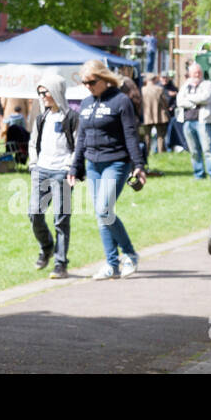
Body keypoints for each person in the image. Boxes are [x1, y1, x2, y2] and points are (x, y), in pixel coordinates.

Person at [69, 59, 146, 280]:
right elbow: (81, 138)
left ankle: (130, 254)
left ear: (104, 79)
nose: (88, 86)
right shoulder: (85, 104)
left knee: (104, 210)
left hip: (116, 162)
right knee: (102, 215)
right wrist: (75, 166)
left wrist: (138, 165)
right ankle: (112, 265)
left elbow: (131, 135)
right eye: (84, 83)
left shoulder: (121, 101)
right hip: (93, 164)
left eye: (92, 82)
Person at [30, 73, 78, 279]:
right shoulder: (42, 118)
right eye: (40, 93)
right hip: (41, 170)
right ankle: (46, 246)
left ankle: (60, 263)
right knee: (34, 214)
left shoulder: (71, 118)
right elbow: (33, 142)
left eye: (45, 92)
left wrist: (70, 167)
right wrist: (33, 164)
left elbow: (78, 146)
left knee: (61, 219)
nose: (42, 96)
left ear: (56, 92)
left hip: (62, 172)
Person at [177, 62, 211, 179]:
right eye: (195, 72)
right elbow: (179, 101)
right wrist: (195, 102)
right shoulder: (185, 85)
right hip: (188, 121)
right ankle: (198, 174)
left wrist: (189, 100)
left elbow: (205, 98)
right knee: (193, 150)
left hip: (202, 121)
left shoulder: (207, 84)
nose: (197, 74)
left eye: (199, 72)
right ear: (190, 74)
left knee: (207, 149)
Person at [140, 74, 169, 155]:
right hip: (159, 116)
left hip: (146, 116)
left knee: (147, 136)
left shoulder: (142, 90)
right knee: (160, 136)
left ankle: (146, 152)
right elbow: (165, 102)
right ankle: (161, 153)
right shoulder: (159, 89)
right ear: (154, 79)